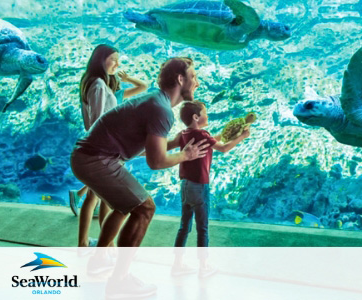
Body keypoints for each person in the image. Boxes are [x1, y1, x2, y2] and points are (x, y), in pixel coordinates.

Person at [70, 57, 210, 298]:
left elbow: (148, 146)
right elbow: (155, 161)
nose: (196, 82)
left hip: (90, 157)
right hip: (95, 160)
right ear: (180, 79)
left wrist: (177, 142)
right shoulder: (161, 109)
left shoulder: (156, 102)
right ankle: (119, 280)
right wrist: (186, 155)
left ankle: (99, 259)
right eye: (193, 76)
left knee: (126, 206)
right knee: (144, 208)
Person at [70, 44, 149, 248]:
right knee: (95, 197)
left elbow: (142, 87)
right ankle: (87, 243)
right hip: (102, 149)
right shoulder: (97, 85)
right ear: (100, 59)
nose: (117, 63)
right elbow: (98, 121)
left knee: (104, 199)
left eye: (118, 59)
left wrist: (126, 79)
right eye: (113, 59)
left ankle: (103, 243)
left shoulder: (103, 85)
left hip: (105, 148)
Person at [170, 100, 251, 277]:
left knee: (184, 226)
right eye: (205, 112)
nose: (208, 115)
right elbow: (223, 148)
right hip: (200, 187)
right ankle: (204, 266)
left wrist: (222, 134)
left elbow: (210, 140)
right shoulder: (204, 134)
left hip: (185, 186)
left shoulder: (183, 134)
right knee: (202, 227)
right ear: (196, 117)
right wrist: (241, 137)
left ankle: (177, 264)